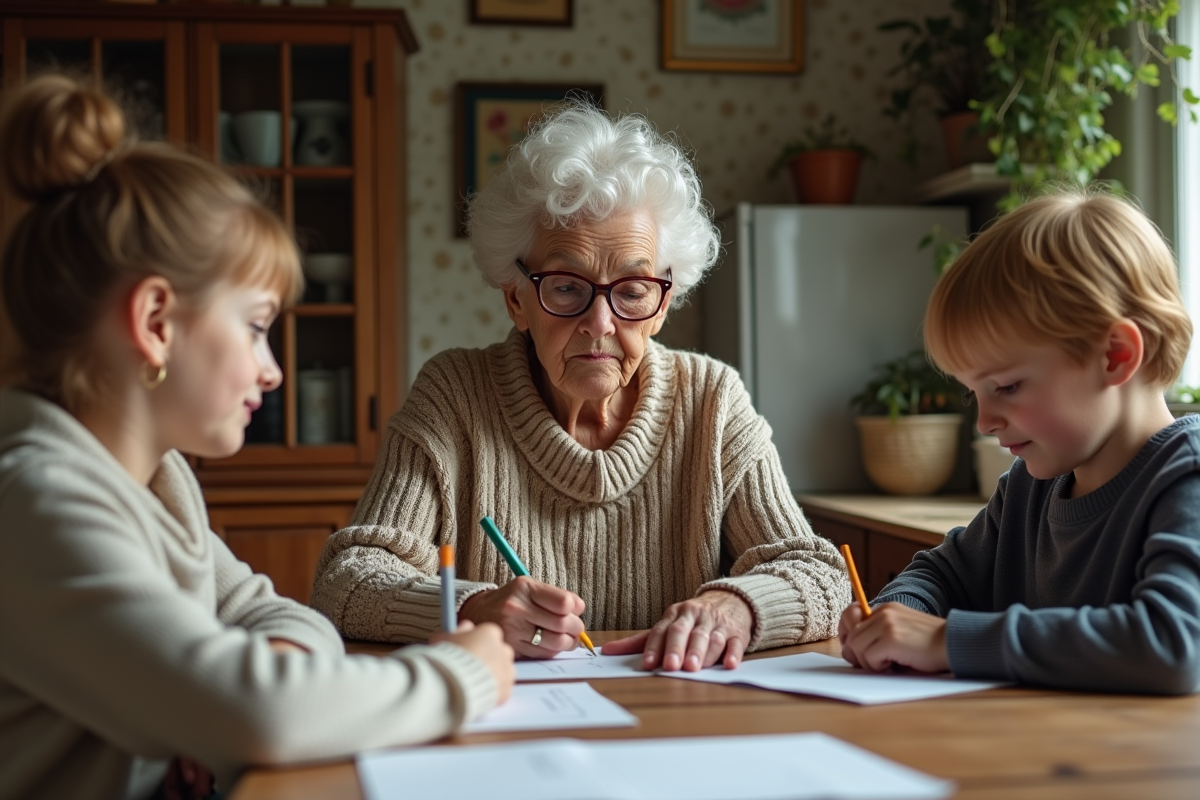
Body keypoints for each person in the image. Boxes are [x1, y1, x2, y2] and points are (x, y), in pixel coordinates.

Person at [0, 75, 514, 800]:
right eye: (255, 327)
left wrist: (241, 689)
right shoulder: (39, 502)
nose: (272, 372)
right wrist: (460, 676)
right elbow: (262, 712)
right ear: (155, 325)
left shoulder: (156, 482)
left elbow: (267, 614)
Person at [311, 102, 850, 673]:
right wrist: (470, 609)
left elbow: (820, 576)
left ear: (662, 303)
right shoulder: (455, 396)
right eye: (566, 287)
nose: (600, 322)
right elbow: (350, 577)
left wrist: (736, 606)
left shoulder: (712, 400)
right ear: (516, 299)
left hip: (675, 721)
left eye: (633, 289)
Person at [838, 190, 1200, 694]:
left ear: (1115, 355)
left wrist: (946, 642)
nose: (985, 421)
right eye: (975, 394)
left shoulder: (1187, 478)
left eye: (1006, 387)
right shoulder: (1030, 488)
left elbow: (1174, 645)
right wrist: (900, 613)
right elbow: (942, 574)